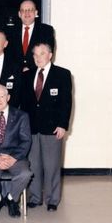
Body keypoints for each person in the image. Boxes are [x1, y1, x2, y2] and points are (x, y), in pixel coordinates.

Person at [20, 43, 72, 211]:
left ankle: (52, 200)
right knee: (33, 165)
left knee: (52, 165)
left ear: (50, 55)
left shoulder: (62, 74)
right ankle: (35, 197)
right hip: (32, 128)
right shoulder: (27, 76)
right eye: (35, 55)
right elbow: (25, 104)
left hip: (53, 129)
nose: (38, 57)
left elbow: (66, 102)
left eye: (42, 54)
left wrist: (63, 125)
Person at [0, 84, 32, 217]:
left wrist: (13, 157)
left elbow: (26, 141)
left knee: (25, 174)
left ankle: (11, 199)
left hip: (15, 157)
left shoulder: (22, 116)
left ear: (8, 97)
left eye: (1, 96)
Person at [6, 0, 55, 72]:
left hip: (38, 73)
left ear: (36, 13)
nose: (27, 13)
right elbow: (7, 55)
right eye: (23, 10)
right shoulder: (10, 32)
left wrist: (30, 70)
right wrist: (20, 69)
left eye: (30, 10)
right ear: (19, 14)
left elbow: (47, 54)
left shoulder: (46, 30)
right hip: (16, 74)